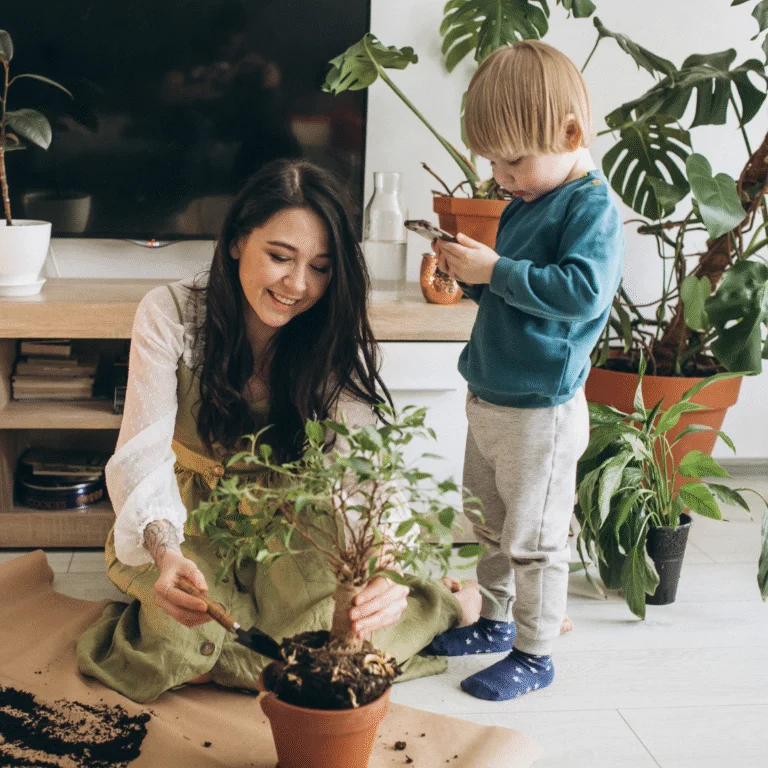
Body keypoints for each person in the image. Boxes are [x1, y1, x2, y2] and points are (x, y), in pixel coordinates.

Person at [77, 159, 480, 703]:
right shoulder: (168, 312)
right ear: (239, 240)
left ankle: (450, 602)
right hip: (193, 511)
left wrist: (383, 560)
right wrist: (167, 554)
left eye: (321, 267)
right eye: (280, 257)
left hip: (298, 515)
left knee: (323, 641)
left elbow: (363, 467)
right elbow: (142, 453)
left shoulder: (330, 328)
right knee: (182, 648)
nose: (298, 285)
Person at [427, 41, 625, 701]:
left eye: (513, 160)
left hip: (540, 409)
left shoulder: (588, 208)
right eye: (492, 162)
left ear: (570, 135)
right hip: (491, 394)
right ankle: (495, 620)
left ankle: (536, 653)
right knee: (486, 520)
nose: (502, 176)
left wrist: (497, 271)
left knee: (534, 538)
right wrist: (474, 275)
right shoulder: (523, 202)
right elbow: (515, 295)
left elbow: (580, 293)